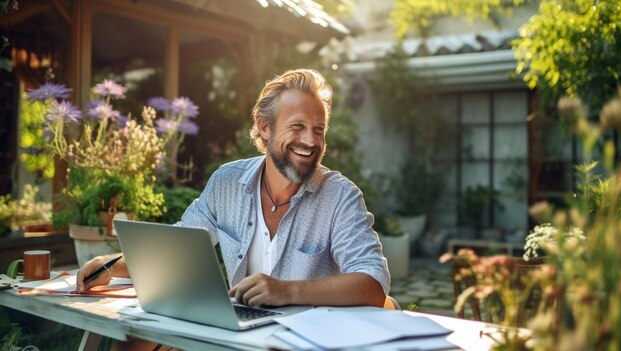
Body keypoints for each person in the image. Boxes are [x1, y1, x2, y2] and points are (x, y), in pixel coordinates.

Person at [77, 68, 390, 308]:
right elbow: (179, 248)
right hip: (242, 336)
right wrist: (112, 265)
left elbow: (374, 283)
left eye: (318, 130)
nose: (310, 141)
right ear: (265, 128)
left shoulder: (340, 197)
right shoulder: (226, 183)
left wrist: (287, 291)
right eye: (297, 127)